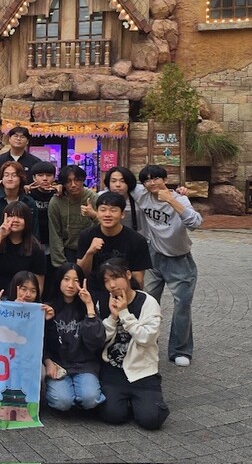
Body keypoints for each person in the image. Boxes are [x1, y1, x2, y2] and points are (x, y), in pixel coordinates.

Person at [134, 165, 203, 367]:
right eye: (147, 180)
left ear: (165, 179)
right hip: (153, 257)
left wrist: (172, 200)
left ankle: (180, 350)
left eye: (156, 178)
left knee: (182, 305)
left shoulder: (180, 199)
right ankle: (146, 345)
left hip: (179, 259)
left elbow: (195, 223)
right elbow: (117, 186)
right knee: (147, 302)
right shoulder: (142, 194)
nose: (151, 183)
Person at [98, 261, 170, 430]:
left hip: (142, 370)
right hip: (113, 369)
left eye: (116, 277)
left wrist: (124, 313)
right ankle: (126, 402)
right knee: (112, 415)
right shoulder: (104, 302)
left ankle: (143, 402)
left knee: (151, 419)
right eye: (107, 281)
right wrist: (112, 318)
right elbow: (99, 339)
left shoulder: (148, 302)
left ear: (128, 275)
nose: (112, 285)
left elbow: (147, 338)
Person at [43, 264, 106, 413]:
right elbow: (40, 341)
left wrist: (89, 306)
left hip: (84, 365)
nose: (71, 285)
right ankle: (70, 396)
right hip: (58, 365)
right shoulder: (48, 307)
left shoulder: (86, 307)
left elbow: (96, 341)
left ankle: (80, 395)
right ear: (59, 280)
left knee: (90, 399)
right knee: (62, 402)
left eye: (76, 280)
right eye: (66, 279)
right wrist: (47, 361)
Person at [75, 192, 151, 294]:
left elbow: (138, 280)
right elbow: (81, 274)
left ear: (122, 214)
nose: (107, 214)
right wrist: (90, 252)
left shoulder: (137, 240)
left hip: (122, 293)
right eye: (103, 210)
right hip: (93, 292)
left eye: (113, 210)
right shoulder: (86, 235)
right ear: (97, 212)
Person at [0, 202, 49, 297]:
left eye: (20, 217)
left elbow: (38, 285)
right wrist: (1, 235)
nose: (15, 220)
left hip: (18, 297)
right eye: (11, 216)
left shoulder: (36, 248)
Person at [48, 165, 97, 269]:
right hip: (68, 251)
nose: (73, 185)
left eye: (77, 180)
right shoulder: (56, 201)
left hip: (92, 249)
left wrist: (93, 215)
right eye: (68, 181)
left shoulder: (93, 198)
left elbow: (105, 225)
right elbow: (55, 234)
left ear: (83, 180)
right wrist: (60, 264)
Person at [26, 161, 58, 247]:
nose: (45, 179)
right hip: (32, 240)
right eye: (40, 175)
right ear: (34, 178)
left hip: (52, 240)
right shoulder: (28, 194)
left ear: (54, 177)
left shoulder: (58, 194)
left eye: (49, 175)